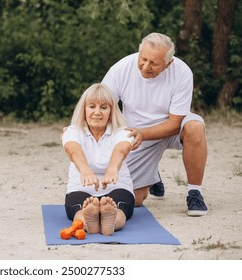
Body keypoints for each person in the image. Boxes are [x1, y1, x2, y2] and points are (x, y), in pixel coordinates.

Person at [101, 32, 208, 216]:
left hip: (170, 128)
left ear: (168, 63)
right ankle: (153, 175)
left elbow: (175, 123)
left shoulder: (182, 72)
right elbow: (101, 103)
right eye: (143, 59)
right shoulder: (121, 69)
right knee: (133, 200)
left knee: (195, 126)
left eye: (154, 63)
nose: (145, 66)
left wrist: (143, 133)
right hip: (136, 135)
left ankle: (194, 192)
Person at [62, 83, 134, 236]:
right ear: (84, 109)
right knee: (79, 210)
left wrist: (113, 169)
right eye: (92, 106)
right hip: (81, 188)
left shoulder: (122, 131)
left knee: (119, 209)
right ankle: (90, 220)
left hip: (117, 187)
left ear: (111, 111)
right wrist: (85, 171)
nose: (97, 112)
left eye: (104, 107)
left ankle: (110, 221)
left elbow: (121, 150)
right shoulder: (73, 131)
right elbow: (73, 150)